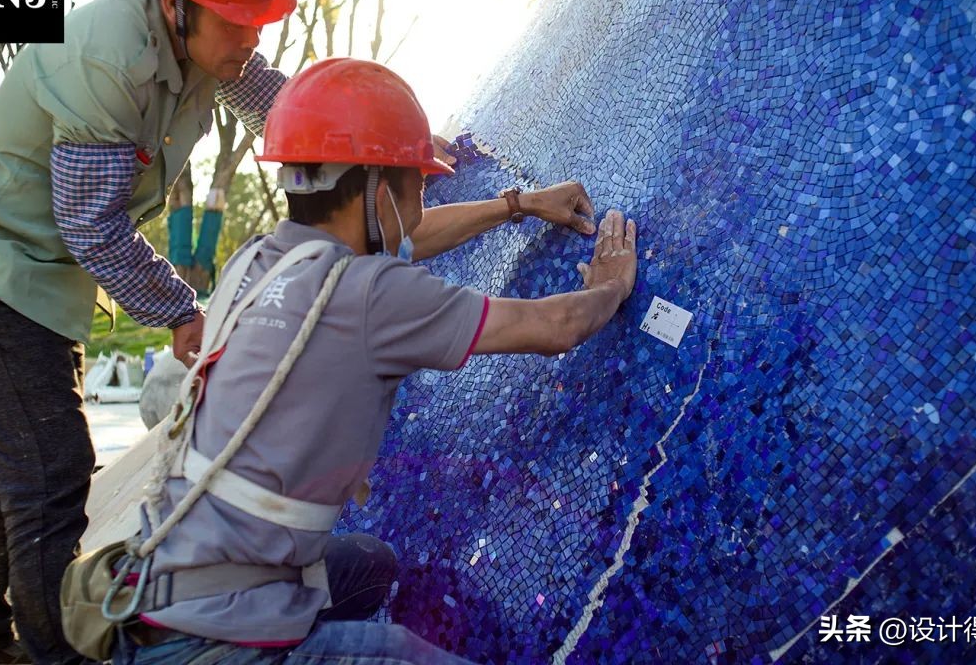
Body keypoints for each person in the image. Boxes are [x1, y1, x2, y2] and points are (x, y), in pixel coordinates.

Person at [112, 58, 638, 664]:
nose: (422, 200)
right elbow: (557, 327)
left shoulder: (257, 263)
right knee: (406, 653)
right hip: (210, 643)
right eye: (418, 185)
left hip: (150, 588)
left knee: (369, 566)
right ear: (378, 191)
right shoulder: (369, 295)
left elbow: (408, 235)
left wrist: (516, 204)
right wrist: (611, 286)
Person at [0, 0, 298, 661]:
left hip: (37, 272)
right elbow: (92, 224)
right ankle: (59, 653)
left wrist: (381, 137)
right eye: (236, 20)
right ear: (178, 5)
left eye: (257, 20)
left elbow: (276, 100)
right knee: (49, 474)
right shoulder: (108, 58)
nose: (251, 37)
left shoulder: (207, 45)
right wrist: (181, 311)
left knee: (24, 456)